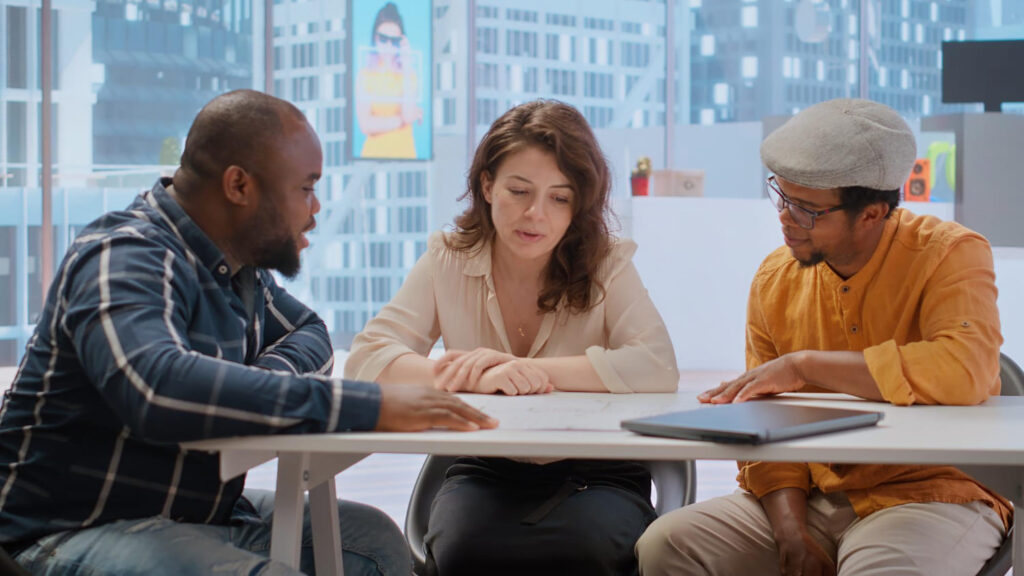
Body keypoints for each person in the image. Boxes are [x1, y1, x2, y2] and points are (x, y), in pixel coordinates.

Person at [0, 89, 496, 576]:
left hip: (194, 516)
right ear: (239, 186)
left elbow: (309, 332)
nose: (315, 208)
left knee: (371, 541)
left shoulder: (237, 270)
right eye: (305, 188)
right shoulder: (124, 255)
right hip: (67, 530)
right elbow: (157, 387)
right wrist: (372, 406)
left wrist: (258, 375)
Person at [636, 98, 1011, 576]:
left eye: (808, 210)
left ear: (873, 213)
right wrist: (792, 533)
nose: (785, 218)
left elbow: (965, 370)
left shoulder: (950, 254)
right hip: (813, 496)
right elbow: (763, 427)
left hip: (932, 493)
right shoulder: (775, 278)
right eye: (782, 196)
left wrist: (805, 366)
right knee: (666, 544)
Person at [345, 99, 679, 576]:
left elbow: (657, 365)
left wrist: (528, 371)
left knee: (585, 552)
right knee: (462, 550)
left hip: (598, 472)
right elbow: (367, 359)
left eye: (560, 198)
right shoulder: (448, 258)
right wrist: (471, 375)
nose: (535, 214)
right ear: (487, 185)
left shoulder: (608, 263)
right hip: (486, 467)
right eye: (519, 191)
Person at [356, 2, 422, 159]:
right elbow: (366, 125)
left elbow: (408, 115)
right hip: (373, 156)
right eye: (383, 39)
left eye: (394, 41)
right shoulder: (365, 75)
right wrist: (402, 121)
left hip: (405, 154)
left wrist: (406, 63)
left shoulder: (409, 75)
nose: (388, 46)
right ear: (375, 38)